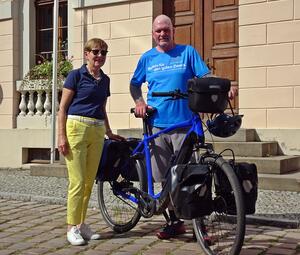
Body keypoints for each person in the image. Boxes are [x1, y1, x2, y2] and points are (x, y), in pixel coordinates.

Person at [130, 15, 236, 240]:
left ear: (172, 30)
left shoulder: (187, 52)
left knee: (194, 175)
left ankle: (202, 225)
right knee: (165, 178)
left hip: (185, 124)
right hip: (157, 124)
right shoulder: (147, 58)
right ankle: (174, 221)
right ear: (153, 33)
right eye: (158, 30)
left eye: (165, 29)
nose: (162, 33)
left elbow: (206, 77)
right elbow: (134, 83)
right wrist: (139, 102)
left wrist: (224, 88)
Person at [58, 38, 123, 246]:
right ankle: (71, 227)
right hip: (76, 128)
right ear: (86, 54)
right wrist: (61, 136)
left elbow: (102, 108)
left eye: (104, 52)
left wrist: (109, 132)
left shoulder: (105, 80)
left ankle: (81, 224)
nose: (100, 56)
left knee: (88, 182)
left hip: (96, 131)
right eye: (95, 52)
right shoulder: (76, 76)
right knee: (77, 181)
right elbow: (62, 109)